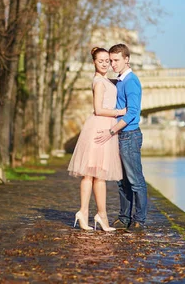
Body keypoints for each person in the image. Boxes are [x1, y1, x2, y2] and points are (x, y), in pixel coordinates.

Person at [67, 47, 126, 232]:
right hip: (100, 127)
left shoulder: (105, 80)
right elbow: (98, 109)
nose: (104, 64)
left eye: (107, 60)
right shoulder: (99, 82)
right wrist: (120, 112)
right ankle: (88, 213)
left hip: (104, 127)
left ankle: (97, 215)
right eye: (100, 60)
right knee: (91, 174)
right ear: (94, 62)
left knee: (96, 175)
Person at [94, 43, 147, 232]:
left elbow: (132, 112)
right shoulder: (120, 80)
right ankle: (124, 217)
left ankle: (139, 219)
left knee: (135, 180)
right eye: (111, 60)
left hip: (129, 135)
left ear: (127, 59)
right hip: (121, 135)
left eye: (116, 60)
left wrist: (111, 131)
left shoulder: (131, 81)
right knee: (122, 180)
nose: (113, 64)